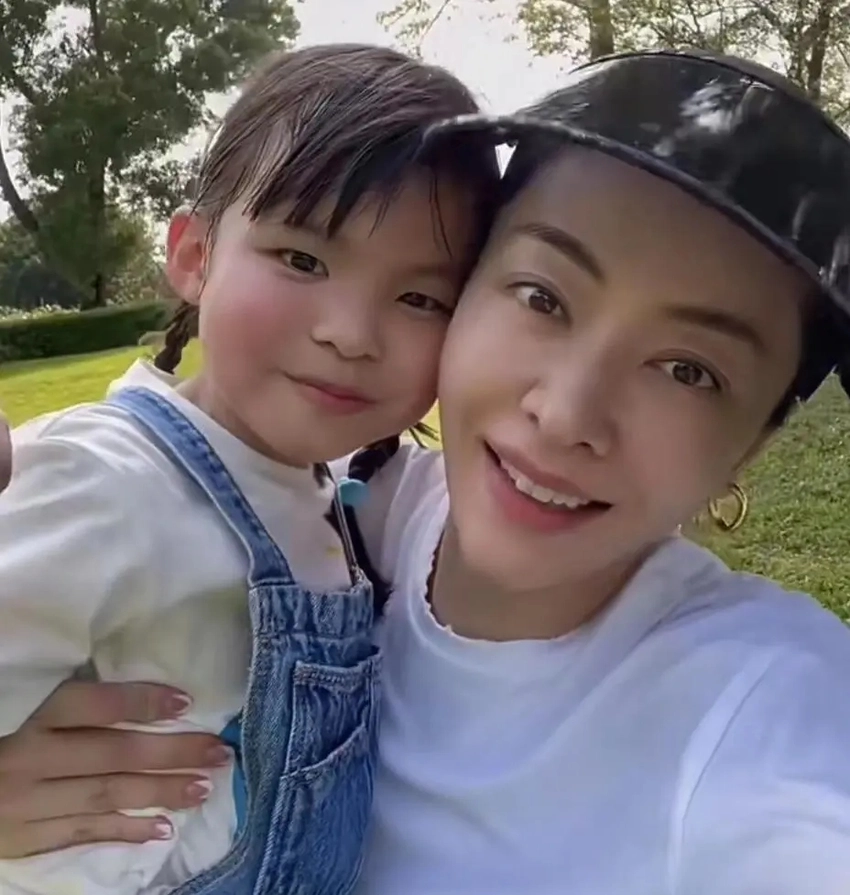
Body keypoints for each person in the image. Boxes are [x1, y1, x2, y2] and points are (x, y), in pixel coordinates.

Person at [5, 49, 850, 894]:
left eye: (689, 371)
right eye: (542, 297)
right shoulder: (351, 500)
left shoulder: (760, 700)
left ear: (753, 441)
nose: (565, 414)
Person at [0, 42, 497, 895]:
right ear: (195, 255)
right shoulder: (107, 482)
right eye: (303, 259)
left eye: (420, 298)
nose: (350, 332)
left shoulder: (323, 493)